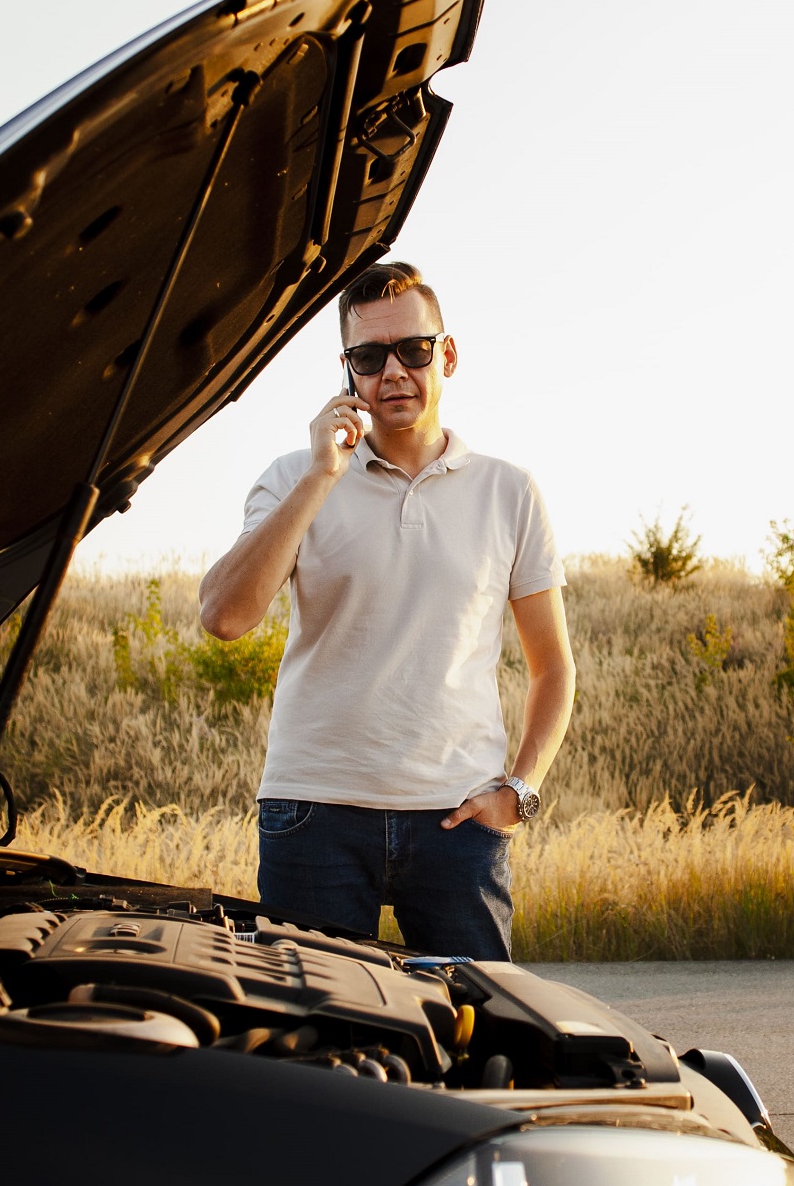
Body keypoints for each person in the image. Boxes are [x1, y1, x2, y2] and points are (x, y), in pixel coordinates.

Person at [197, 261, 573, 960]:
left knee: (476, 1038)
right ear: (347, 372)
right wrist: (320, 476)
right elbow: (224, 615)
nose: (394, 371)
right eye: (369, 357)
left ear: (447, 355)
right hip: (314, 812)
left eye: (414, 350)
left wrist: (520, 792)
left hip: (458, 819)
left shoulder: (509, 491)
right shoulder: (291, 477)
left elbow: (553, 669)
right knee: (310, 1051)